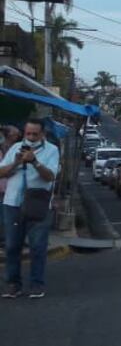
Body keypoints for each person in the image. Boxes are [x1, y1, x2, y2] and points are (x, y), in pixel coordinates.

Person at [0, 118, 61, 299]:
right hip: (13, 203)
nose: (31, 137)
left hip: (38, 205)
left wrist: (35, 162)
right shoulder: (15, 148)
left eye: (35, 134)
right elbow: (2, 172)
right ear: (23, 133)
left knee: (37, 246)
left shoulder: (52, 150)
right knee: (12, 246)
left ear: (42, 134)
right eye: (28, 134)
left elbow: (50, 176)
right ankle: (13, 284)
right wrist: (17, 163)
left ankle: (36, 284)